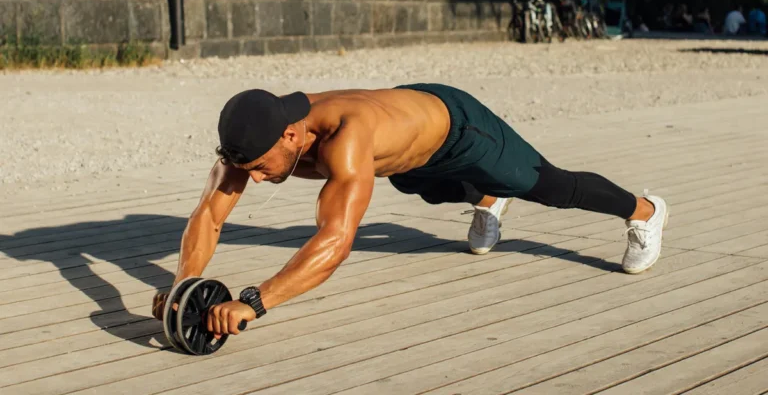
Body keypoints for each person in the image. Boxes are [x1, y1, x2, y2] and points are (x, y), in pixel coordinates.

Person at [152, 85, 669, 335]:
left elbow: (334, 241)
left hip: (460, 129)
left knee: (547, 186)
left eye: (264, 168)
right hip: (408, 152)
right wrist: (184, 288)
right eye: (251, 171)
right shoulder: (255, 140)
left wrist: (252, 301)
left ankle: (643, 210)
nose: (258, 179)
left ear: (292, 135)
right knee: (424, 189)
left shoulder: (345, 141)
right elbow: (209, 216)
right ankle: (487, 200)